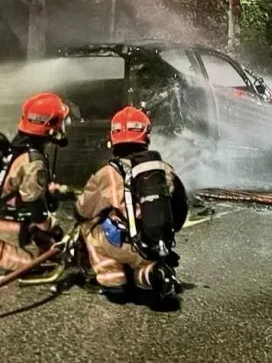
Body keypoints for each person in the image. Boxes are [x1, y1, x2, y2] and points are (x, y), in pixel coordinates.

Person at [75, 106, 188, 302]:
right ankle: (153, 274)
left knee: (86, 228)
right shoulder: (164, 169)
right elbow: (180, 206)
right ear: (146, 135)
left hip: (123, 245)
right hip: (155, 244)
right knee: (144, 267)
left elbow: (84, 209)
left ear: (114, 136)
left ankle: (113, 281)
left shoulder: (107, 173)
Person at [0, 92, 71, 274]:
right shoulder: (33, 160)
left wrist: (52, 190)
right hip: (8, 221)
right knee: (47, 262)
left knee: (48, 245)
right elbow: (34, 206)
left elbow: (18, 185)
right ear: (50, 127)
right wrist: (54, 229)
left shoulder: (17, 149)